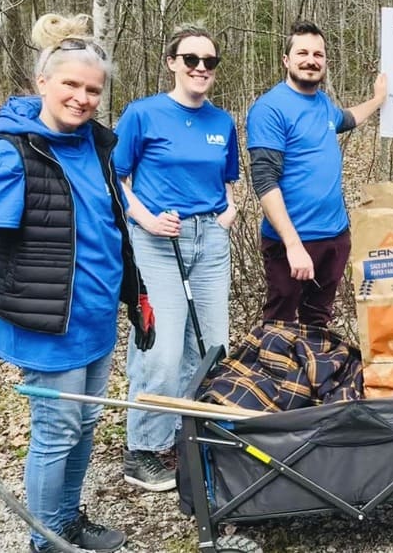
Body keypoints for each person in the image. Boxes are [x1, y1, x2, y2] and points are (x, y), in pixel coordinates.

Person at [0, 13, 153, 552]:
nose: (82, 98)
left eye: (93, 89)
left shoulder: (97, 148)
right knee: (57, 432)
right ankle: (47, 540)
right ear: (42, 84)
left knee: (85, 423)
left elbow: (111, 231)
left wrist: (137, 293)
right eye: (71, 85)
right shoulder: (10, 154)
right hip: (46, 324)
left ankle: (67, 521)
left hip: (96, 318)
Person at [113, 24, 239, 492]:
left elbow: (229, 178)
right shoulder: (142, 114)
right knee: (162, 348)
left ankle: (186, 435)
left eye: (209, 62)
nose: (201, 69)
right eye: (192, 60)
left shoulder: (221, 122)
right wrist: (144, 218)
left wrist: (227, 212)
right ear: (172, 62)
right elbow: (116, 179)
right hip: (156, 241)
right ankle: (143, 448)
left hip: (209, 242)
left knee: (208, 346)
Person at [246, 20, 386, 326]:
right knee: (280, 326)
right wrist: (293, 245)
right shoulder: (270, 108)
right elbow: (264, 181)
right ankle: (278, 372)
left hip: (333, 237)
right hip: (291, 243)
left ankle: (312, 373)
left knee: (317, 322)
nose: (311, 60)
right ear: (286, 60)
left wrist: (378, 100)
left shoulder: (321, 103)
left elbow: (346, 119)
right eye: (303, 53)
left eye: (318, 54)